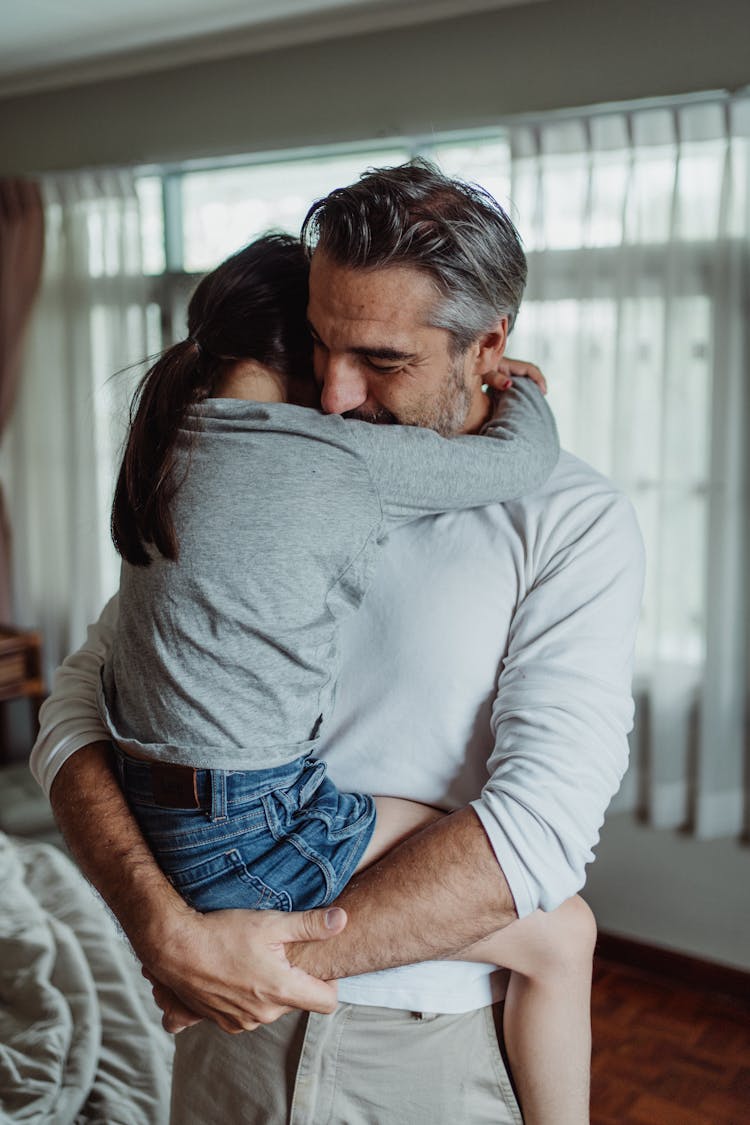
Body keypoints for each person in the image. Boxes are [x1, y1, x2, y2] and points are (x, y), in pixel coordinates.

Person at [31, 160, 645, 1125]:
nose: (332, 394)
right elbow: (78, 704)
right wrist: (161, 928)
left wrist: (231, 968)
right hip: (227, 1050)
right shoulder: (265, 456)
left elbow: (539, 833)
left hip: (419, 1055)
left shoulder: (569, 522)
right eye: (319, 344)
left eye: (384, 361)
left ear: (489, 346)